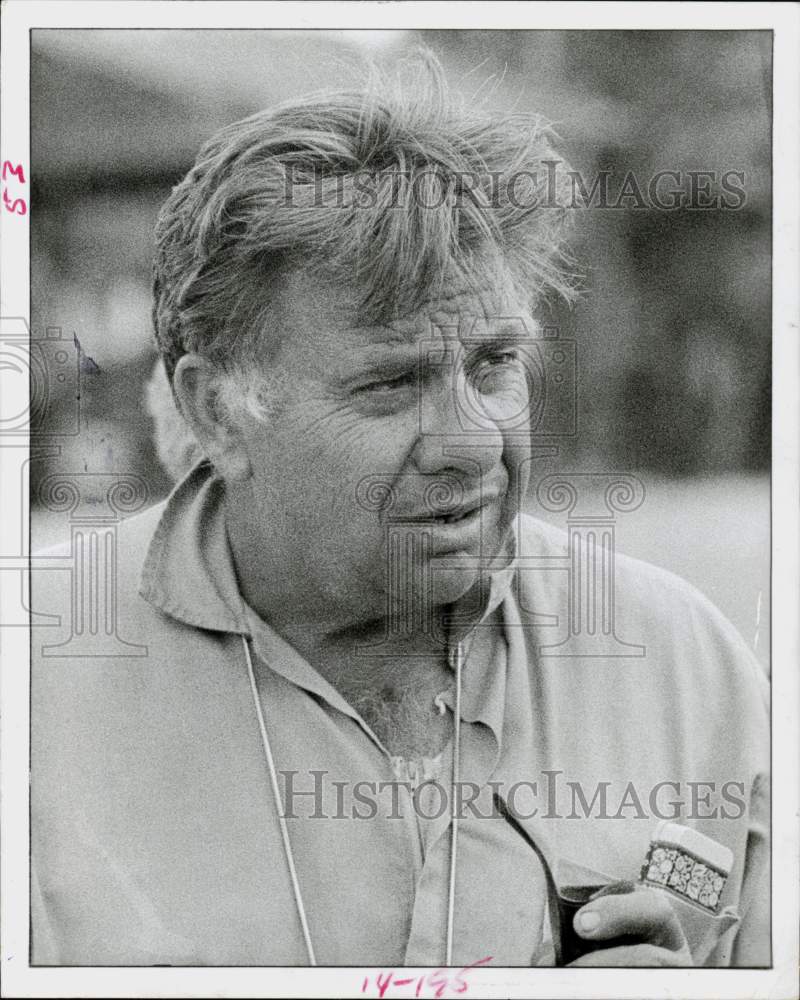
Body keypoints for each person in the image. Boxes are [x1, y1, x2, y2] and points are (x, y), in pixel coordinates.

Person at [31, 52, 769, 968]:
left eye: (494, 365)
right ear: (217, 410)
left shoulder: (682, 665)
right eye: (391, 383)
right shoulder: (34, 688)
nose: (470, 441)